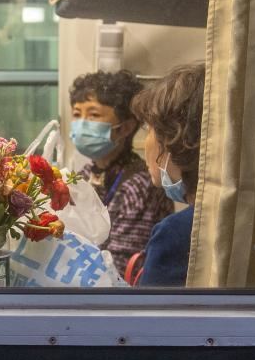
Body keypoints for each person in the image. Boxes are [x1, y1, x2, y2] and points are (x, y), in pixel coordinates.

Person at [69, 70, 172, 273]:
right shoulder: (83, 175)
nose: (82, 124)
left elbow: (120, 270)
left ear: (125, 128)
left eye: (93, 115)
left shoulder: (140, 186)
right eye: (77, 114)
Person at [129, 63, 205, 287]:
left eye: (149, 129)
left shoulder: (176, 233)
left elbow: (147, 310)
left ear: (175, 140)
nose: (146, 143)